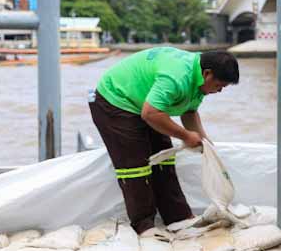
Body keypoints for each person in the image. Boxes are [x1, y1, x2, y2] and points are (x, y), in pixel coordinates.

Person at [89, 47, 239, 234]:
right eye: (220, 85)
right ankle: (144, 226)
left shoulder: (199, 81)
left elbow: (189, 112)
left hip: (145, 105)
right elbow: (150, 113)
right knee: (135, 166)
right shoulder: (177, 76)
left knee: (164, 158)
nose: (220, 91)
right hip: (115, 101)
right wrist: (186, 136)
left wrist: (204, 141)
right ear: (207, 74)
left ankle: (178, 217)